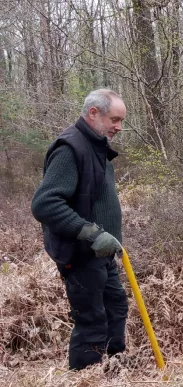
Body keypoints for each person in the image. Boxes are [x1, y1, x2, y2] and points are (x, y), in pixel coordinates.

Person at [31, 89, 128, 370]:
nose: (118, 127)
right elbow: (45, 204)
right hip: (81, 254)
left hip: (101, 255)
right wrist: (92, 234)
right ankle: (86, 381)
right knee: (92, 322)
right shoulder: (70, 148)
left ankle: (113, 370)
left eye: (121, 121)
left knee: (116, 306)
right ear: (93, 113)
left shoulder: (97, 146)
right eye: (115, 119)